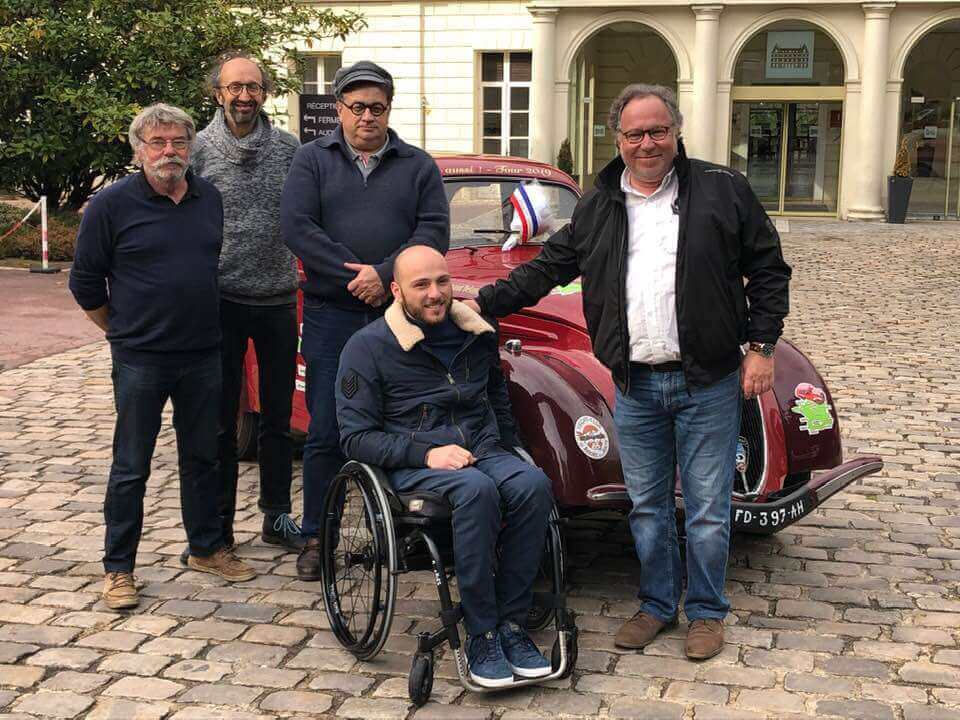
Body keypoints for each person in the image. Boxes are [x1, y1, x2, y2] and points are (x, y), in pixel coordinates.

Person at [465, 84, 791, 660]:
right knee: (646, 505)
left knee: (710, 507)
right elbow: (546, 269)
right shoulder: (600, 204)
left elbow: (768, 269)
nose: (647, 143)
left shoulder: (722, 190)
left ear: (676, 131)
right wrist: (477, 306)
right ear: (617, 139)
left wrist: (762, 347)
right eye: (635, 134)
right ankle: (659, 605)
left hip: (708, 380)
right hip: (635, 384)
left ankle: (708, 613)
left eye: (657, 130)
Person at [336, 245, 554, 687]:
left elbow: (496, 396)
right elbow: (355, 438)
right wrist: (426, 454)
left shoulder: (476, 332)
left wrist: (506, 445)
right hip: (414, 461)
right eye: (421, 285)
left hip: (483, 448)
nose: (435, 294)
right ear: (396, 291)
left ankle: (511, 623)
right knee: (475, 490)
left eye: (442, 282)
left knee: (533, 484)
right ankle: (482, 631)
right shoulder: (367, 348)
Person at [69, 103, 256, 610]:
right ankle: (118, 568)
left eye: (178, 142)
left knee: (203, 457)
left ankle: (205, 548)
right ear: (138, 151)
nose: (169, 151)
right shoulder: (110, 206)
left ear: (190, 146)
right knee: (131, 465)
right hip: (140, 359)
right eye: (158, 143)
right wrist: (123, 332)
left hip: (201, 354)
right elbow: (84, 284)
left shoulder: (208, 198)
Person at [280, 60, 449, 581]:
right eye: (357, 107)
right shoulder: (311, 160)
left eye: (377, 107)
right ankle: (316, 536)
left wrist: (384, 273)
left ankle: (402, 530)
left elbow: (433, 232)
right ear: (339, 111)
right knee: (328, 428)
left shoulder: (418, 166)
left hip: (401, 318)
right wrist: (358, 277)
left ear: (389, 110)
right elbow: (297, 227)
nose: (367, 116)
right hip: (333, 315)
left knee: (406, 422)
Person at [187, 51, 303, 556]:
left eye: (252, 87)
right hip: (220, 303)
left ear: (265, 93)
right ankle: (220, 525)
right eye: (234, 87)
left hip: (278, 299)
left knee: (278, 419)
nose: (243, 96)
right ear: (218, 93)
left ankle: (276, 517)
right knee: (221, 421)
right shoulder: (197, 150)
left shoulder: (290, 149)